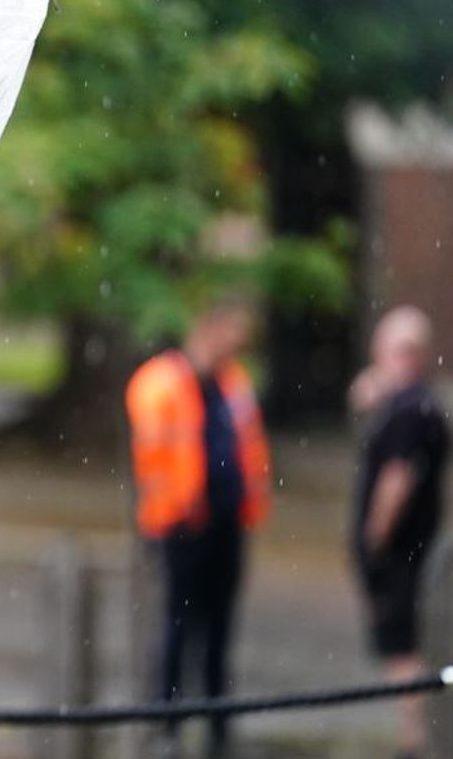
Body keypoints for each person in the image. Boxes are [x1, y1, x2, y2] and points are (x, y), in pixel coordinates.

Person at [125, 301, 271, 758]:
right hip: (181, 524)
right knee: (177, 623)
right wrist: (176, 502)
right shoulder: (163, 383)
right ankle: (166, 720)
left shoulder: (234, 383)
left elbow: (248, 445)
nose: (237, 347)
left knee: (220, 626)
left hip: (227, 520)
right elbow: (154, 453)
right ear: (208, 329)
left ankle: (216, 720)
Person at [347, 306, 450, 759]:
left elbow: (397, 480)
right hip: (413, 547)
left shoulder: (411, 410)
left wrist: (373, 540)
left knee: (403, 647)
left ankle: (417, 741)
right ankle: (420, 737)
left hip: (401, 551)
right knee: (405, 644)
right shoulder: (416, 403)